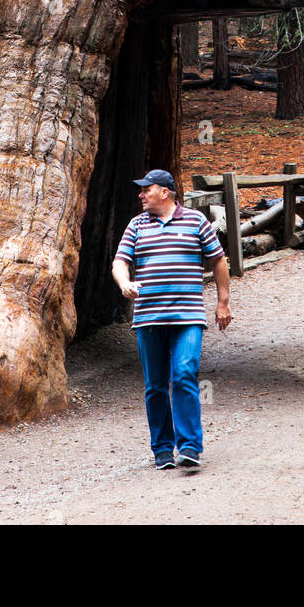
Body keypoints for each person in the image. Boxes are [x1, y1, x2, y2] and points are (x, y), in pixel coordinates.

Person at [112, 168, 231, 470]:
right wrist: (124, 283)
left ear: (164, 192)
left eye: (145, 190)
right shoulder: (136, 225)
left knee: (184, 373)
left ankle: (190, 447)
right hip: (149, 317)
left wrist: (223, 303)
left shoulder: (195, 221)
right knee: (154, 385)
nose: (141, 195)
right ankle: (163, 449)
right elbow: (120, 261)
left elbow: (218, 261)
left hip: (188, 316)